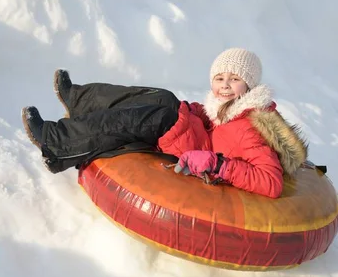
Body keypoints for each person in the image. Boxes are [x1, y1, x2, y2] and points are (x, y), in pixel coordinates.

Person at [22, 48, 308, 198]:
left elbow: (271, 183)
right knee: (164, 97)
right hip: (199, 138)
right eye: (220, 78)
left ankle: (56, 141)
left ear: (250, 85)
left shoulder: (252, 128)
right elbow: (214, 124)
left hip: (198, 156)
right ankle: (80, 99)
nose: (225, 86)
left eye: (234, 80)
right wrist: (191, 110)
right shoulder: (229, 108)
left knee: (158, 117)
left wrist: (218, 165)